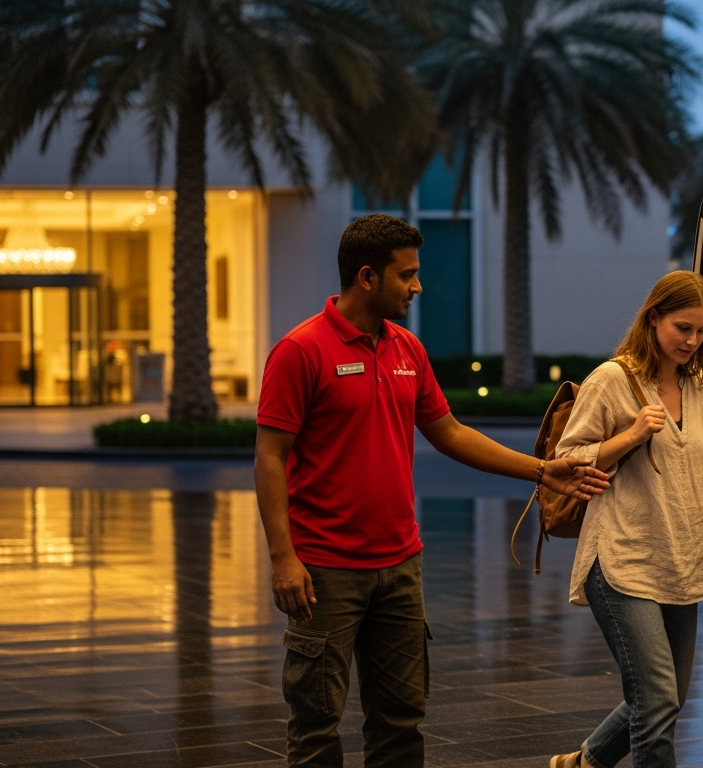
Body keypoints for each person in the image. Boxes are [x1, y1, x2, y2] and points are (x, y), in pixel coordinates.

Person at [254, 214, 610, 768]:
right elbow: (270, 457)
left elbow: (450, 432)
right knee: (316, 724)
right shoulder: (301, 350)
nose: (418, 287)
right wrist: (283, 558)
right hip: (325, 571)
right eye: (407, 275)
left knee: (401, 722)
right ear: (367, 277)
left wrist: (542, 470)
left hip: (400, 566)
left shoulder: (407, 350)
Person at [548, 271, 703, 768]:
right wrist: (629, 436)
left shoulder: (697, 385)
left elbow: (692, 471)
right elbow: (566, 461)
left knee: (666, 697)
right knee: (657, 700)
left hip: (678, 559)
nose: (693, 341)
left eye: (702, 332)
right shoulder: (612, 379)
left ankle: (584, 763)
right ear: (653, 319)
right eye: (683, 328)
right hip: (621, 559)